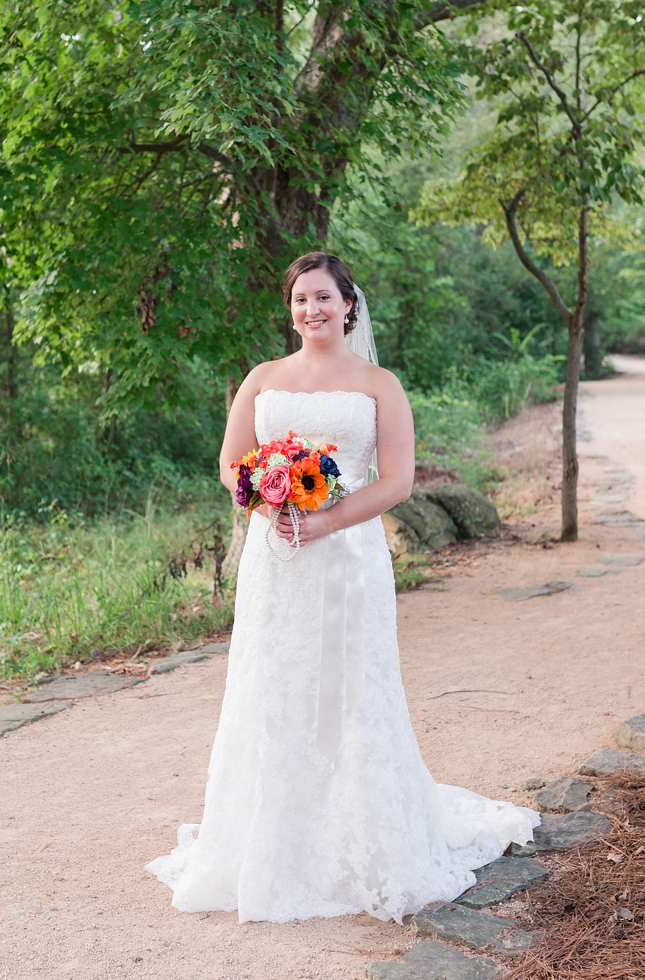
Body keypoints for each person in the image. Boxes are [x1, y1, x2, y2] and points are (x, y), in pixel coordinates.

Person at [146, 251, 538, 924]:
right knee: (275, 683)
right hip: (276, 558)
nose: (312, 310)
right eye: (300, 299)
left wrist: (324, 521)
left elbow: (396, 482)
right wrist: (272, 509)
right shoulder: (263, 379)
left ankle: (360, 838)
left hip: (349, 555)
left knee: (348, 686)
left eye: (324, 297)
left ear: (348, 304)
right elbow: (230, 464)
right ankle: (271, 839)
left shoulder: (378, 384)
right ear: (290, 308)